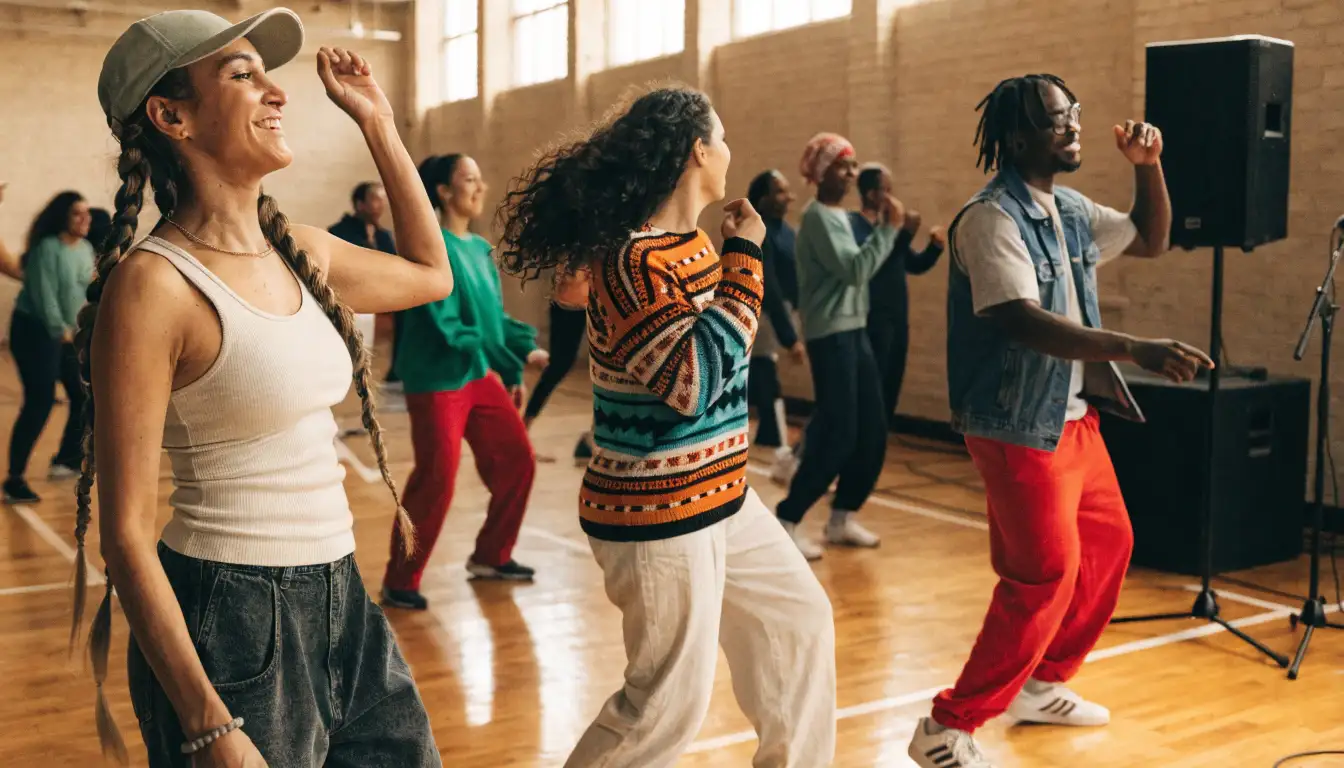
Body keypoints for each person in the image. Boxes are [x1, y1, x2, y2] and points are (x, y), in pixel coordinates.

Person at [71, 9, 454, 765]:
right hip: (230, 615)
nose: (275, 91)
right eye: (242, 76)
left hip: (343, 592)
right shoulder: (153, 287)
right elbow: (123, 535)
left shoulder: (301, 249)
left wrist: (379, 122)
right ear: (171, 115)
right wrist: (208, 723)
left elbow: (429, 274)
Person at [496, 85, 837, 768]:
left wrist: (729, 256)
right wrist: (746, 255)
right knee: (663, 710)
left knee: (798, 622)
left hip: (722, 498)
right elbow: (695, 383)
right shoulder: (632, 261)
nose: (732, 151)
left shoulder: (684, 247)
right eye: (725, 137)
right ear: (697, 152)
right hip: (656, 513)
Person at [906, 74, 1214, 768]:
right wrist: (1134, 347)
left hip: (1074, 420)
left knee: (1108, 551)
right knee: (1042, 577)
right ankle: (946, 728)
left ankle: (1044, 685)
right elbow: (1020, 320)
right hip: (1017, 424)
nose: (1073, 127)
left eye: (1074, 114)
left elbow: (1151, 239)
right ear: (1018, 139)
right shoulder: (990, 220)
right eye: (1056, 120)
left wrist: (1150, 167)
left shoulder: (1068, 209)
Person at [380, 152, 545, 609]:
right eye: (468, 180)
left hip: (477, 373)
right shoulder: (429, 246)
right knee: (437, 477)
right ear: (444, 192)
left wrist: (521, 354)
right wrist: (507, 353)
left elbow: (492, 319)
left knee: (518, 460)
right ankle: (400, 580)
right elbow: (448, 324)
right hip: (436, 378)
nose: (480, 187)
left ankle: (492, 556)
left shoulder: (478, 248)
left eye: (479, 178)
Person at [774, 133, 904, 561]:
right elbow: (854, 271)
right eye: (840, 166)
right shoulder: (817, 218)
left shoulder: (840, 217)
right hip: (830, 336)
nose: (849, 174)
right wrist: (890, 230)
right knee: (841, 433)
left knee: (873, 429)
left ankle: (842, 516)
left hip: (855, 330)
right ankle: (789, 517)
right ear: (819, 173)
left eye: (852, 166)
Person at [3, 191, 93, 503]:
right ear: (62, 218)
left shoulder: (85, 249)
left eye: (87, 214)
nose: (85, 220)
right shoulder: (46, 249)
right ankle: (14, 480)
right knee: (39, 401)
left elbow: (82, 295)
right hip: (34, 332)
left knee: (82, 396)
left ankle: (65, 461)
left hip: (66, 334)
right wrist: (64, 332)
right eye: (76, 214)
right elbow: (45, 298)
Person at [849, 163, 946, 426]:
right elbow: (873, 267)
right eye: (887, 190)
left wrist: (934, 248)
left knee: (892, 383)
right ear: (871, 194)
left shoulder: (887, 228)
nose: (893, 197)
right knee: (873, 385)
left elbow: (910, 263)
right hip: (873, 318)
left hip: (897, 317)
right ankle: (865, 442)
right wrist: (903, 235)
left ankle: (880, 438)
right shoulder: (854, 226)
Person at [744, 169, 805, 483]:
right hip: (764, 313)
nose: (789, 197)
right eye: (781, 192)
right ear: (764, 200)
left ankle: (768, 434)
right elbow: (769, 286)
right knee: (766, 373)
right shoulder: (761, 232)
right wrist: (790, 337)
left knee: (764, 373)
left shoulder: (787, 231)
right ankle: (782, 451)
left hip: (784, 313)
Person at [328, 181, 404, 392]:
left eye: (383, 200)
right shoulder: (339, 231)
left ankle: (397, 370)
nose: (381, 205)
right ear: (360, 204)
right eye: (375, 199)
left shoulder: (384, 235)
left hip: (383, 297)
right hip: (353, 297)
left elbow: (394, 264)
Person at [521, 263, 594, 465]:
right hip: (570, 307)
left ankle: (592, 440)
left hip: (580, 306)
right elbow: (571, 278)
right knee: (558, 367)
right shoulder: (580, 245)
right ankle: (522, 434)